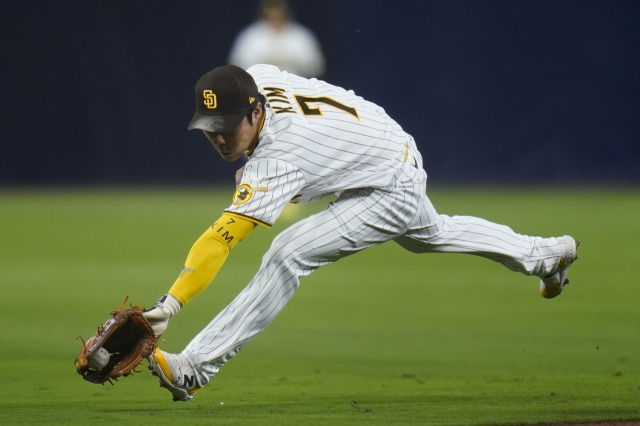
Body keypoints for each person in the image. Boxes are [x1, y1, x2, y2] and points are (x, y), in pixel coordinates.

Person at [142, 64, 579, 401]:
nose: (218, 138)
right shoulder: (257, 77)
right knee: (430, 233)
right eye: (210, 128)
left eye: (227, 126)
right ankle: (545, 256)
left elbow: (221, 239)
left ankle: (195, 368)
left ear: (256, 112)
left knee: (288, 251)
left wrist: (171, 304)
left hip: (387, 178)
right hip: (385, 142)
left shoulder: (278, 159)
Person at [228, 0, 325, 78]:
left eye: (277, 6)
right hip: (259, 92)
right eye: (271, 6)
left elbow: (317, 69)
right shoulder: (250, 37)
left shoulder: (301, 36)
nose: (274, 11)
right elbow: (236, 69)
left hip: (295, 92)